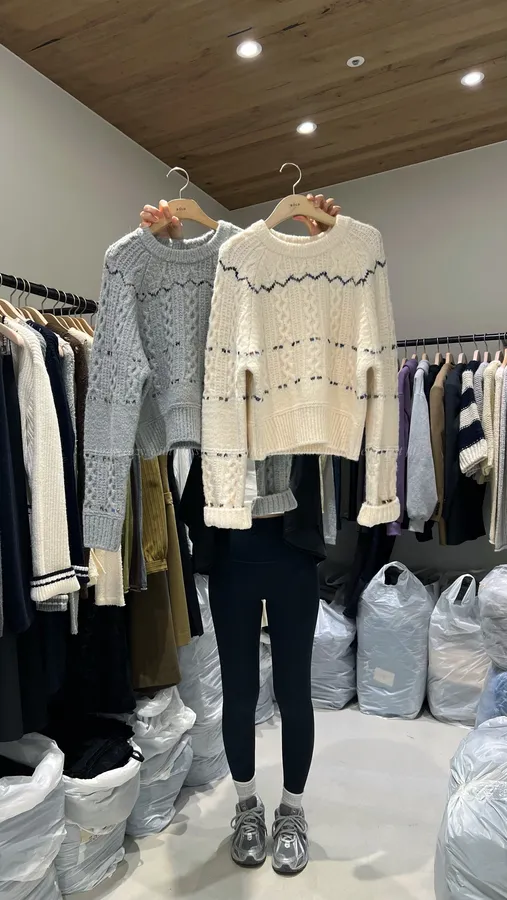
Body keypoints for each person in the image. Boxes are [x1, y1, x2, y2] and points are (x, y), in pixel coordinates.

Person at [139, 195, 339, 875]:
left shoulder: (305, 324)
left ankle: (292, 810)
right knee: (241, 689)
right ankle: (247, 807)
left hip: (291, 542)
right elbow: (165, 328)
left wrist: (323, 238)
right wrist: (168, 244)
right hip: (230, 542)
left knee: (294, 687)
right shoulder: (212, 318)